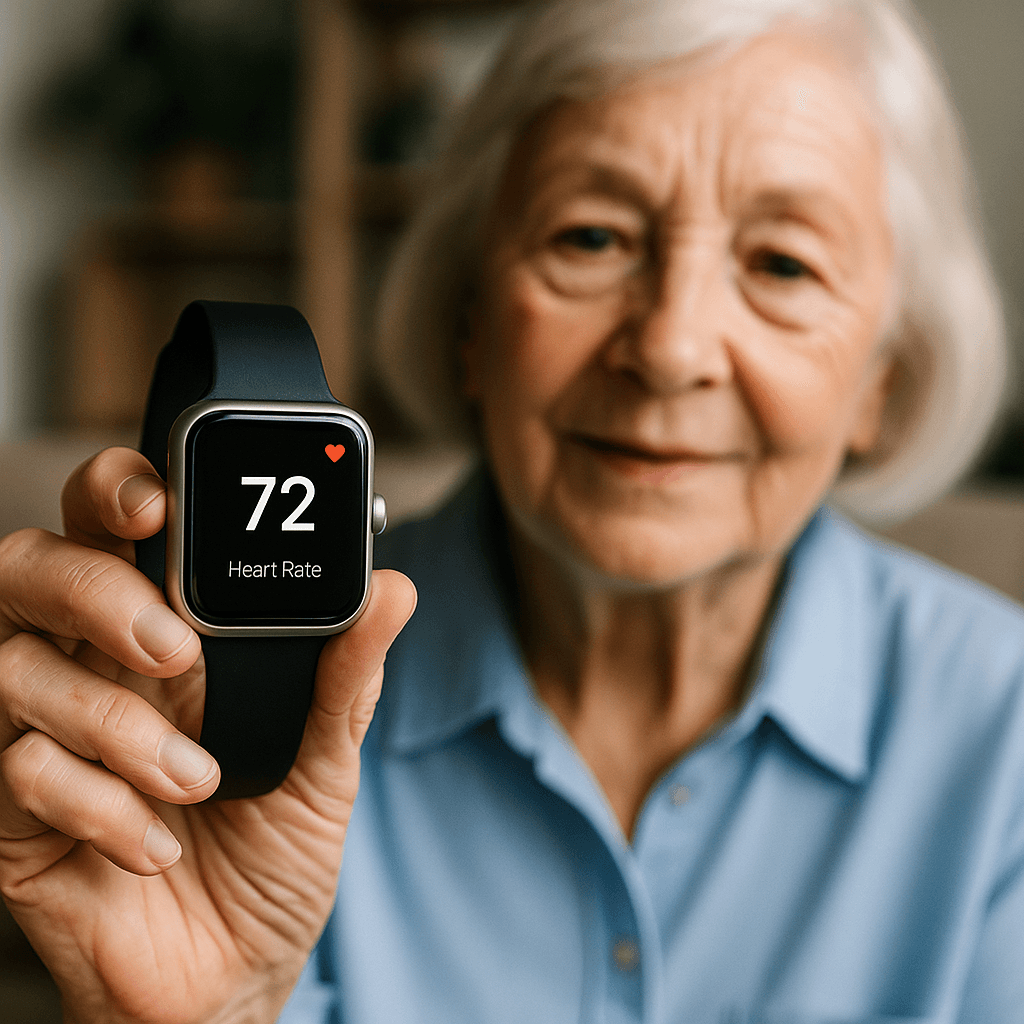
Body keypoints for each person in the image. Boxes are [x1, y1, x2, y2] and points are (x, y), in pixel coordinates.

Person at [0, 0, 1019, 1020]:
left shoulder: (1002, 733)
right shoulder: (213, 697)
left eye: (781, 264)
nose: (668, 347)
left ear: (885, 376)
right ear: (469, 317)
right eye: (591, 237)